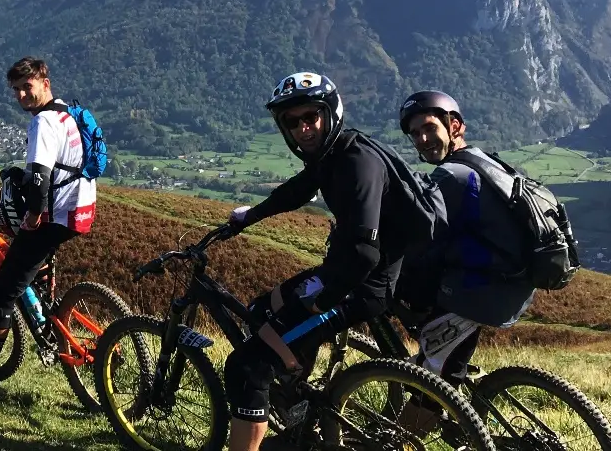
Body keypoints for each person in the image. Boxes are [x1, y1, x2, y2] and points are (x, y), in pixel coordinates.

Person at [220, 71, 437, 451]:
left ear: (330, 113)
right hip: (341, 273)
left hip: (360, 285)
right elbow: (297, 191)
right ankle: (298, 407)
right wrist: (249, 216)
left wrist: (322, 300)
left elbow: (366, 252)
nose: (303, 128)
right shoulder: (331, 153)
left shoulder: (356, 162)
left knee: (246, 366)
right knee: (261, 308)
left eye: (310, 117)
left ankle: (284, 409)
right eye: (292, 121)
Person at [0, 56, 97, 401]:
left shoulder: (44, 122)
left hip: (57, 216)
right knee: (27, 262)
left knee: (0, 293)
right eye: (15, 90)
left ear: (44, 83)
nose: (20, 95)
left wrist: (33, 214)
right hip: (80, 209)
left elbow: (40, 175)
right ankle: (47, 319)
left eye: (26, 87)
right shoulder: (68, 113)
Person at [396, 90, 535, 385]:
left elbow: (417, 231)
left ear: (454, 126)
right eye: (415, 133)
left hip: (483, 291)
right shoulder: (480, 160)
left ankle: (425, 410)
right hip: (509, 282)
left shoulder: (452, 176)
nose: (422, 139)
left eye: (430, 128)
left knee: (430, 388)